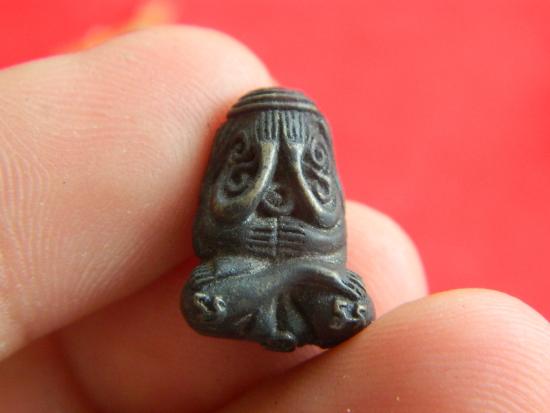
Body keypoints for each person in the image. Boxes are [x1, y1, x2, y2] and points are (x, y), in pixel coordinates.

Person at [0, 26, 548, 412]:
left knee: (347, 306)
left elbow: (332, 237)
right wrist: (288, 257)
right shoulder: (240, 170)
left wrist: (302, 261)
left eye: (303, 165)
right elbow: (215, 234)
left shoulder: (308, 176)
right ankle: (294, 280)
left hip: (301, 262)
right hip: (249, 262)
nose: (279, 190)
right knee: (208, 300)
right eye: (253, 165)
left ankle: (294, 280)